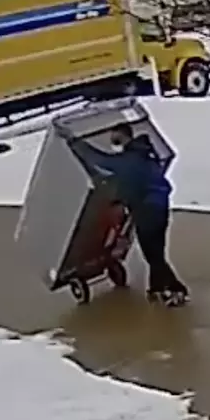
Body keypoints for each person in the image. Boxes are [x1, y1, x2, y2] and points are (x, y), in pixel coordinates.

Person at [71, 124, 189, 305]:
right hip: (160, 209)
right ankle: (156, 288)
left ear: (123, 135)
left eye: (114, 135)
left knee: (153, 255)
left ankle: (175, 289)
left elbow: (100, 160)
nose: (112, 139)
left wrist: (75, 143)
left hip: (147, 211)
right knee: (156, 252)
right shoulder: (145, 154)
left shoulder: (129, 159)